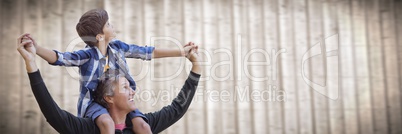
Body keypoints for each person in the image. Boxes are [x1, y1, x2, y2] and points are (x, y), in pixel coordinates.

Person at [22, 8, 195, 134]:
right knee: (106, 123)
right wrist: (36, 49)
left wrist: (181, 52)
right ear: (99, 36)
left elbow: (147, 52)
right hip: (95, 104)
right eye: (108, 24)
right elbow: (59, 58)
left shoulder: (118, 48)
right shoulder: (87, 56)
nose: (113, 26)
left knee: (143, 126)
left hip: (118, 101)